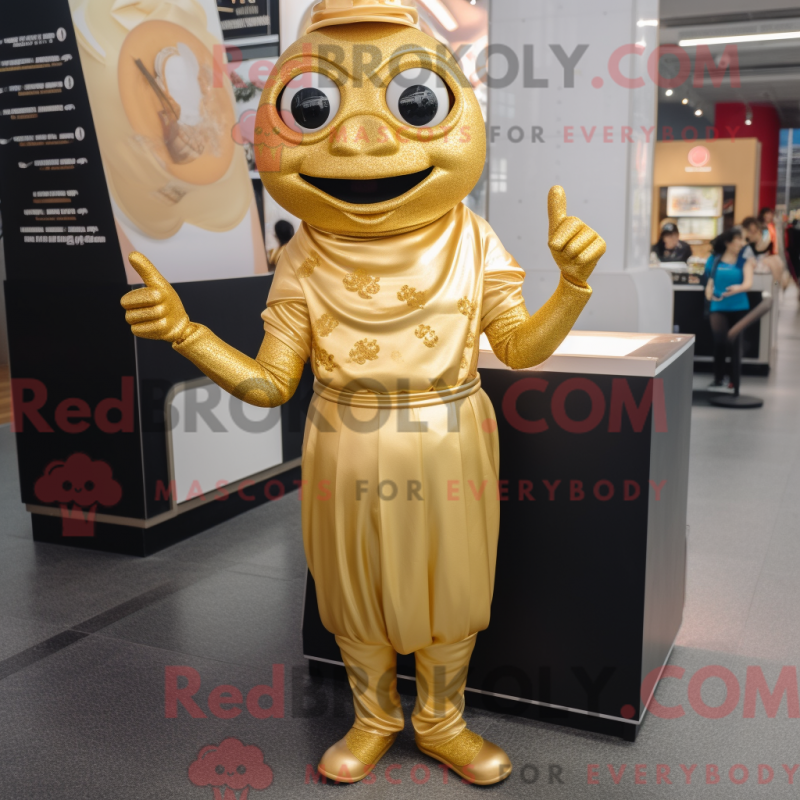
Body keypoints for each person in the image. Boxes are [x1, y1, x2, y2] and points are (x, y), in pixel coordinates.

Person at [118, 0, 606, 786]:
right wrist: (186, 333)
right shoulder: (303, 258)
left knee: (451, 589)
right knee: (354, 590)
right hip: (344, 438)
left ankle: (442, 720)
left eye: (414, 102)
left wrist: (572, 288)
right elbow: (271, 383)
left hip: (450, 434)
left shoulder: (472, 239)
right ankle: (374, 716)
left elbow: (519, 347)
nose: (359, 140)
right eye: (313, 109)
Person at [705, 228, 755, 391]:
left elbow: (748, 283)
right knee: (719, 342)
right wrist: (710, 293)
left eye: (742, 240)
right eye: (738, 240)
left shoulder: (744, 260)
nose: (741, 243)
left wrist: (737, 288)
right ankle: (718, 378)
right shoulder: (714, 260)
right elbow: (708, 281)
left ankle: (734, 379)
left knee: (735, 343)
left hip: (739, 306)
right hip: (718, 306)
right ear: (728, 242)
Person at [742, 216, 790, 289]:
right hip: (755, 281)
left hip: (772, 280)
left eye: (747, 232)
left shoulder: (770, 241)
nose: (747, 236)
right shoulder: (748, 247)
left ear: (753, 228)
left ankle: (777, 285)